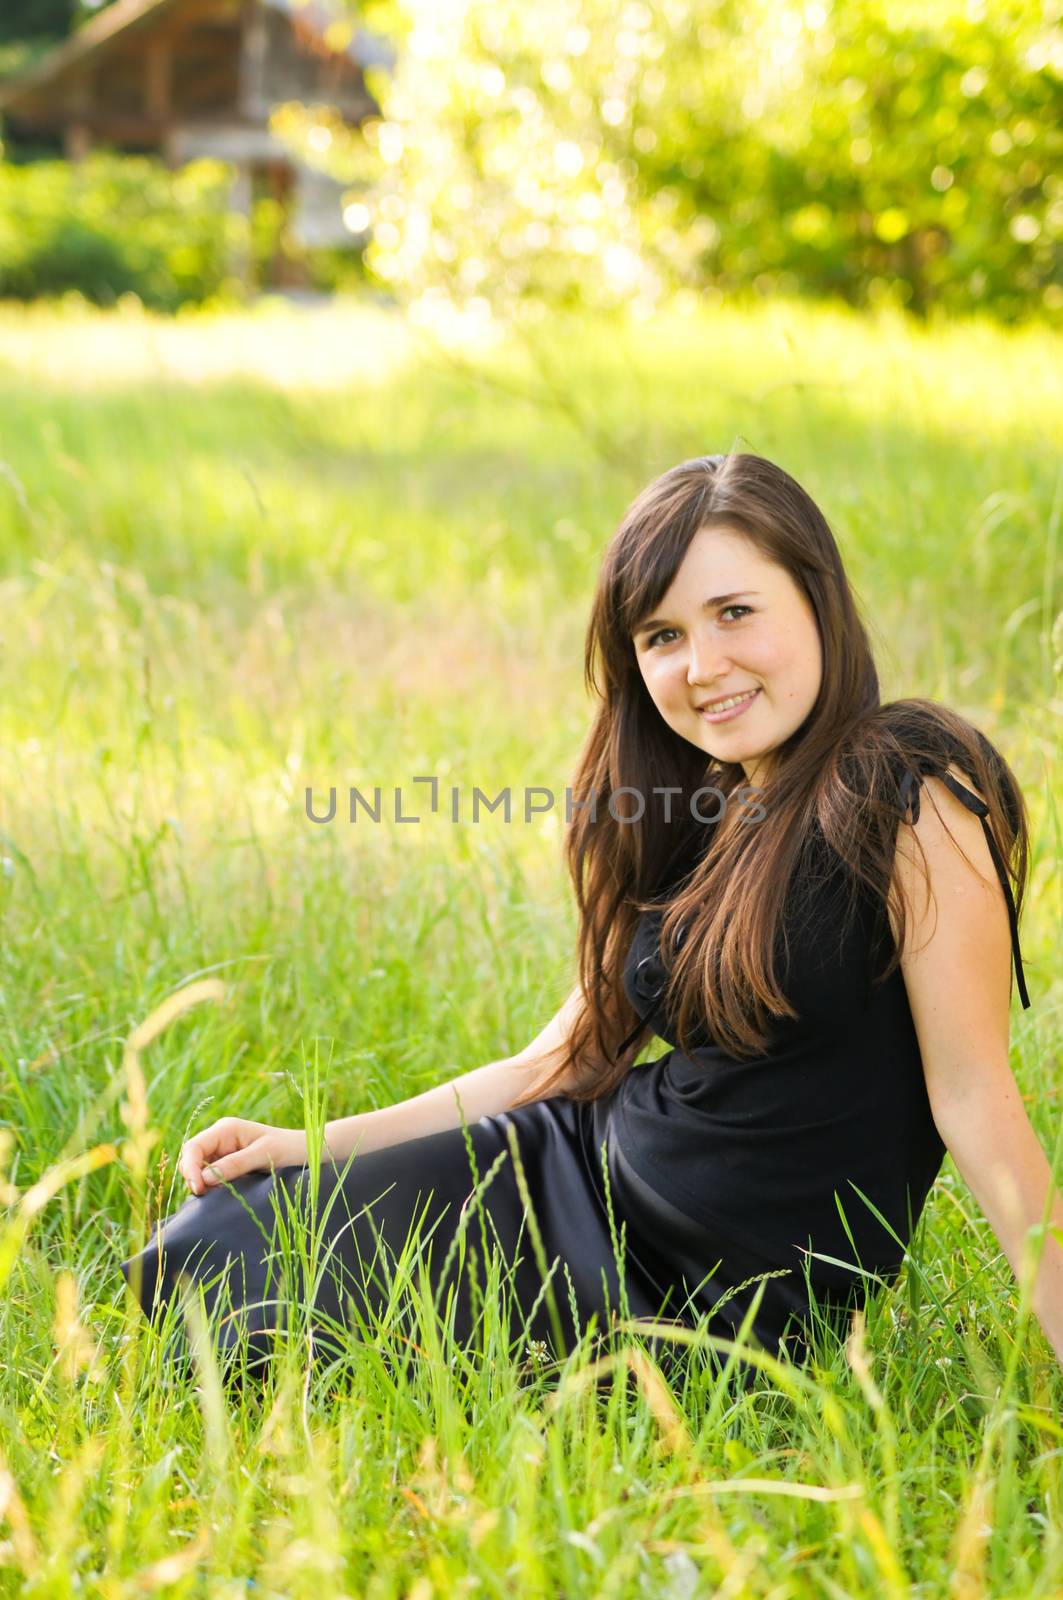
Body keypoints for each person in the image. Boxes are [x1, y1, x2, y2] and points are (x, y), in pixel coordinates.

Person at [121, 451, 1062, 1390]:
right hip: (567, 1175)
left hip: (714, 1300)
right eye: (661, 636)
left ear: (817, 598)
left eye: (735, 613)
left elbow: (974, 1095)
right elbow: (558, 1063)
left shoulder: (908, 782)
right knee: (206, 1255)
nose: (702, 666)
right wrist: (305, 1146)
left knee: (268, 1325)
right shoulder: (702, 810)